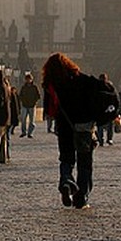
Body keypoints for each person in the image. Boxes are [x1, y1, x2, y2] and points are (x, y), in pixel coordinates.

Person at [42, 52, 102, 209]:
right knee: (84, 162)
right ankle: (81, 198)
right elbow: (96, 96)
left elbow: (49, 110)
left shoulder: (51, 84)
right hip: (83, 126)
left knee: (66, 158)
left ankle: (66, 181)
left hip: (64, 126)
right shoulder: (81, 79)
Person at [95, 73, 117, 146]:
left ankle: (104, 139)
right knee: (106, 125)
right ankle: (105, 139)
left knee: (104, 125)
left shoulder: (107, 86)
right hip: (105, 108)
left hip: (104, 108)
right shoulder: (109, 87)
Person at [18, 72, 40, 138]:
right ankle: (23, 132)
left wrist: (34, 102)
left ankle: (30, 133)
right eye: (27, 79)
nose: (28, 80)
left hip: (32, 106)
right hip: (25, 105)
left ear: (31, 79)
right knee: (23, 120)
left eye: (29, 79)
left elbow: (38, 96)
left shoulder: (34, 87)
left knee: (32, 121)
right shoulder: (23, 87)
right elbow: (20, 95)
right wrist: (23, 101)